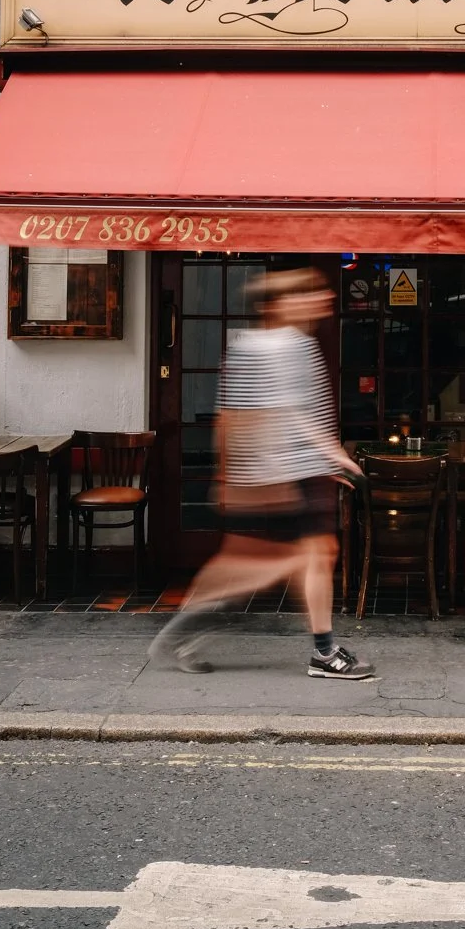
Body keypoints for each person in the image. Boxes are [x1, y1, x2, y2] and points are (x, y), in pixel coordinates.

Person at [147, 268, 374, 680]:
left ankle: (198, 622)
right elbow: (286, 413)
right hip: (283, 475)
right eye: (302, 295)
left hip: (274, 473)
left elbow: (229, 417)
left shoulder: (249, 346)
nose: (316, 301)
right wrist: (332, 457)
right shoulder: (286, 346)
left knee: (293, 557)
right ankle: (202, 624)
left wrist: (228, 474)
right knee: (290, 559)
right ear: (275, 306)